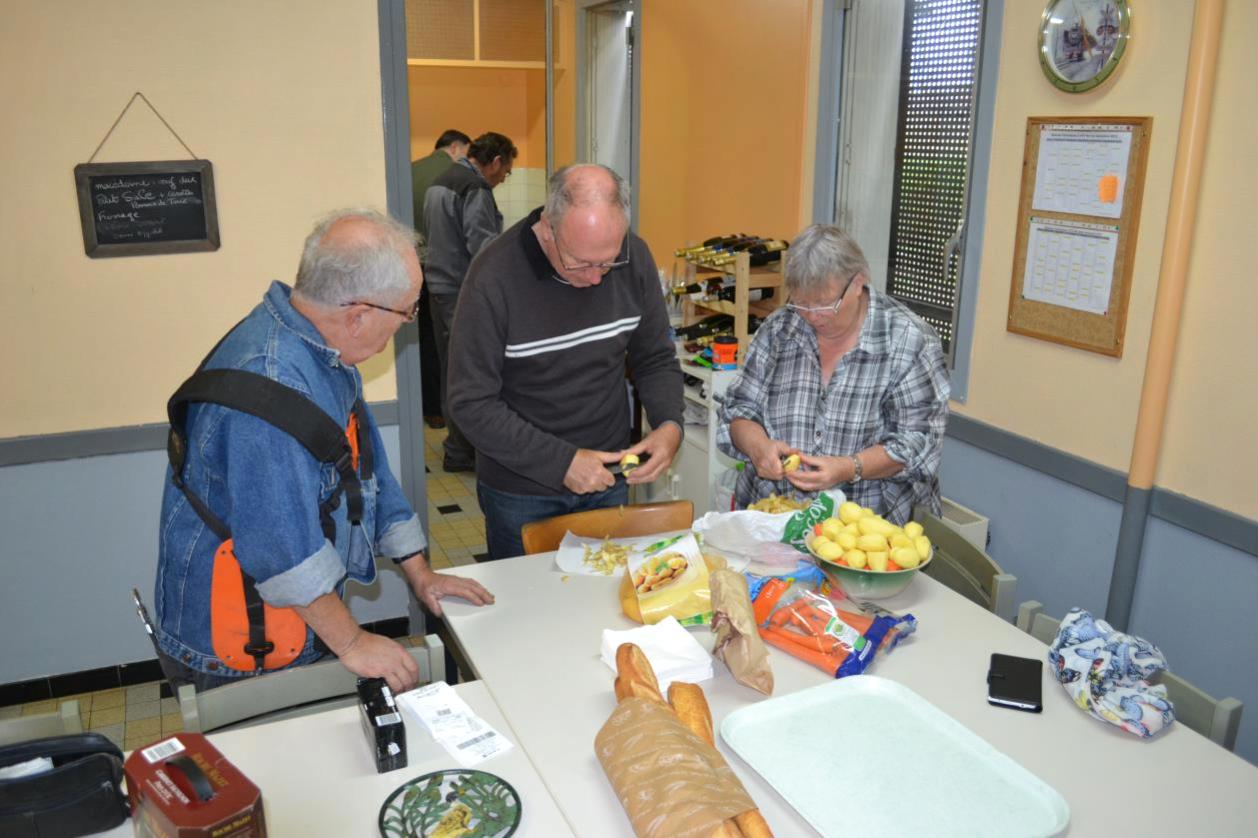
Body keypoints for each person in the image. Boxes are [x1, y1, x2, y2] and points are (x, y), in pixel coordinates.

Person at [155, 210, 494, 694]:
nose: (406, 326)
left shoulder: (322, 350)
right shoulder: (269, 391)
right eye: (406, 313)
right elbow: (282, 553)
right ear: (359, 314)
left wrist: (421, 575)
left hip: (298, 613)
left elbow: (368, 469)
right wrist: (354, 643)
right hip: (239, 638)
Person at [447, 164, 684, 560]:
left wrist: (669, 423)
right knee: (529, 609)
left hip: (609, 476)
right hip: (521, 490)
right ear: (547, 227)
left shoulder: (633, 256)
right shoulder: (493, 277)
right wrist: (561, 463)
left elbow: (655, 356)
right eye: (579, 263)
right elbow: (470, 402)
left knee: (603, 605)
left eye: (607, 263)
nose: (595, 279)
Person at [716, 224, 949, 525]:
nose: (813, 317)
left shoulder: (909, 342)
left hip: (863, 537)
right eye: (802, 303)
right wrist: (758, 447)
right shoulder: (780, 329)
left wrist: (848, 468)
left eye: (825, 304)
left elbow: (918, 443)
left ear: (858, 283)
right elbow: (738, 409)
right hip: (772, 527)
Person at [423, 131, 518, 472]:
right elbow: (483, 246)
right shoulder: (473, 187)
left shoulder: (441, 181)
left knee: (453, 371)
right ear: (495, 161)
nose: (503, 180)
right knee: (471, 375)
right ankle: (465, 451)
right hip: (462, 293)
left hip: (438, 288)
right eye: (505, 172)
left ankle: (457, 448)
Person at [411, 129, 471, 430]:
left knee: (421, 339)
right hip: (445, 272)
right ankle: (443, 411)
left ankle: (428, 408)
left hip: (412, 267)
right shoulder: (455, 176)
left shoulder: (410, 169)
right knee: (443, 343)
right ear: (457, 147)